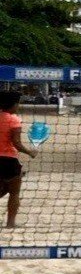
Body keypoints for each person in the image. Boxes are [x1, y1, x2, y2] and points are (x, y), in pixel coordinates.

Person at [0, 90, 38, 228]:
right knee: (14, 193)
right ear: (14, 104)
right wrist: (30, 152)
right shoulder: (13, 119)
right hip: (9, 160)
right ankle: (10, 223)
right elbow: (16, 142)